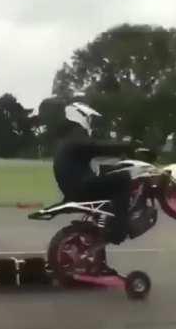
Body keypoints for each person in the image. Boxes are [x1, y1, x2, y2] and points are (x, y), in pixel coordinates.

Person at [54, 102, 135, 246]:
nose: (90, 122)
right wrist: (126, 146)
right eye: (89, 118)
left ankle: (104, 221)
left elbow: (92, 152)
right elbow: (97, 147)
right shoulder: (75, 138)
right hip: (81, 187)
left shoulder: (67, 139)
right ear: (80, 116)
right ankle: (119, 229)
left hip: (74, 187)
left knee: (110, 172)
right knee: (123, 178)